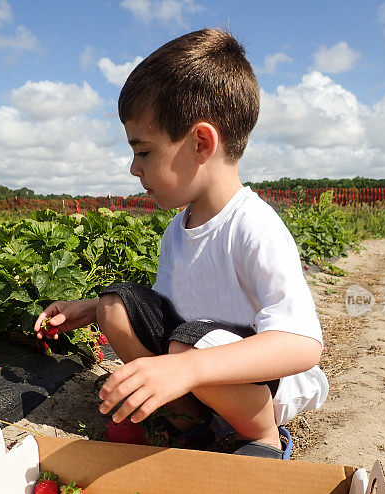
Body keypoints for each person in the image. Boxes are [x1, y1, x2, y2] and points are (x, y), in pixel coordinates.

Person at [35, 28, 328, 459]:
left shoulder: (253, 226)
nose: (133, 167)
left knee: (188, 342)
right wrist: (92, 309)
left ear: (201, 143)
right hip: (193, 366)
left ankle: (262, 439)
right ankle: (189, 423)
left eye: (144, 151)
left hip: (261, 388)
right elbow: (168, 311)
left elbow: (302, 343)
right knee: (118, 304)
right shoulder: (178, 228)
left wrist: (187, 365)